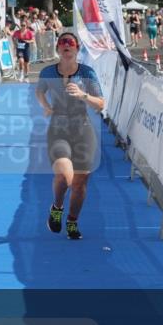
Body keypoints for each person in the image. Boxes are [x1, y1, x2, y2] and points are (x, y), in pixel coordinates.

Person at [35, 32, 106, 241]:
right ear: (58, 48)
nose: (67, 45)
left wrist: (84, 95)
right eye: (62, 43)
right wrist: (46, 106)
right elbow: (39, 92)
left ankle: (72, 221)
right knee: (64, 176)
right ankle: (57, 207)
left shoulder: (87, 73)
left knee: (80, 183)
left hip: (83, 129)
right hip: (58, 128)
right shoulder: (48, 72)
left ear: (77, 49)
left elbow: (100, 104)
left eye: (71, 43)